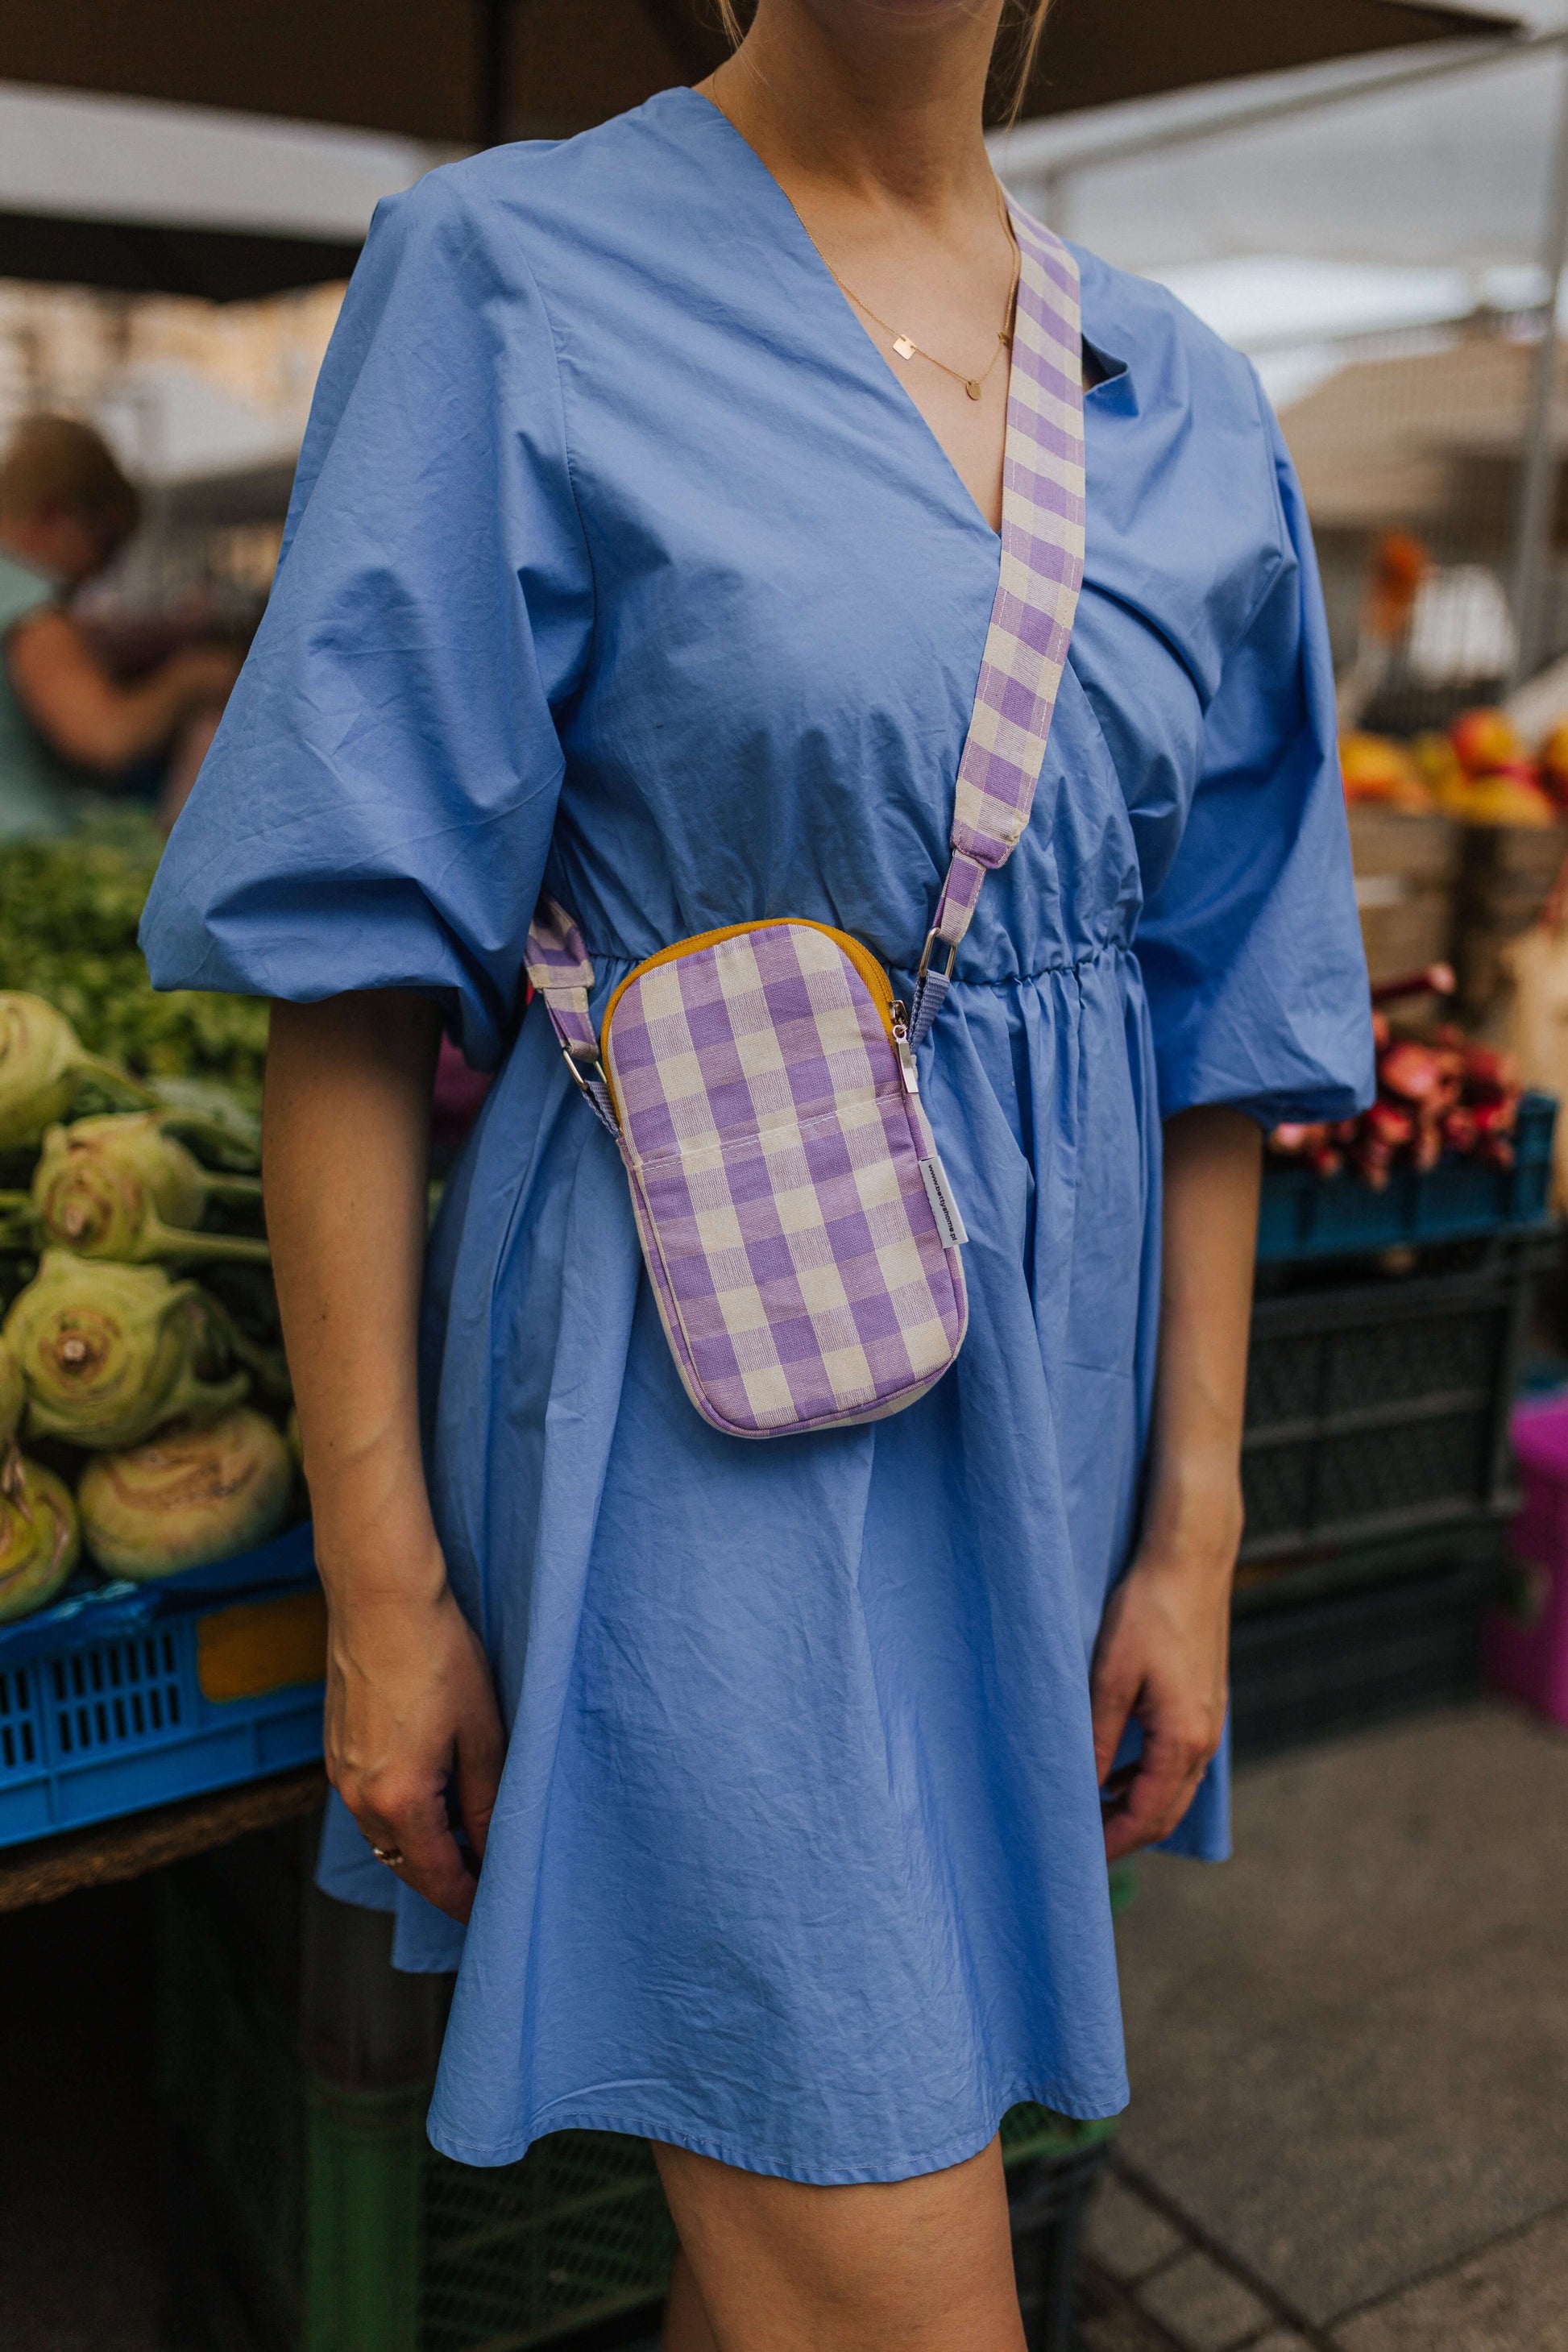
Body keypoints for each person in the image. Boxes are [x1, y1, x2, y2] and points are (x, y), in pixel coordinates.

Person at [142, 2, 1374, 2343]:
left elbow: (1233, 1013)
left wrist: (1193, 1534)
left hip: (1050, 1419)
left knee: (805, 2220)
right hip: (697, 1399)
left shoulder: (1189, 391)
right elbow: (348, 976)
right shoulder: (505, 268)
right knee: (884, 2264)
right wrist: (386, 1580)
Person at [0, 414, 237, 839]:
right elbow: (104, 739)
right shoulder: (30, 605)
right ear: (55, 514)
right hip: (29, 861)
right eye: (107, 545)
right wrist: (192, 679)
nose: (101, 571)